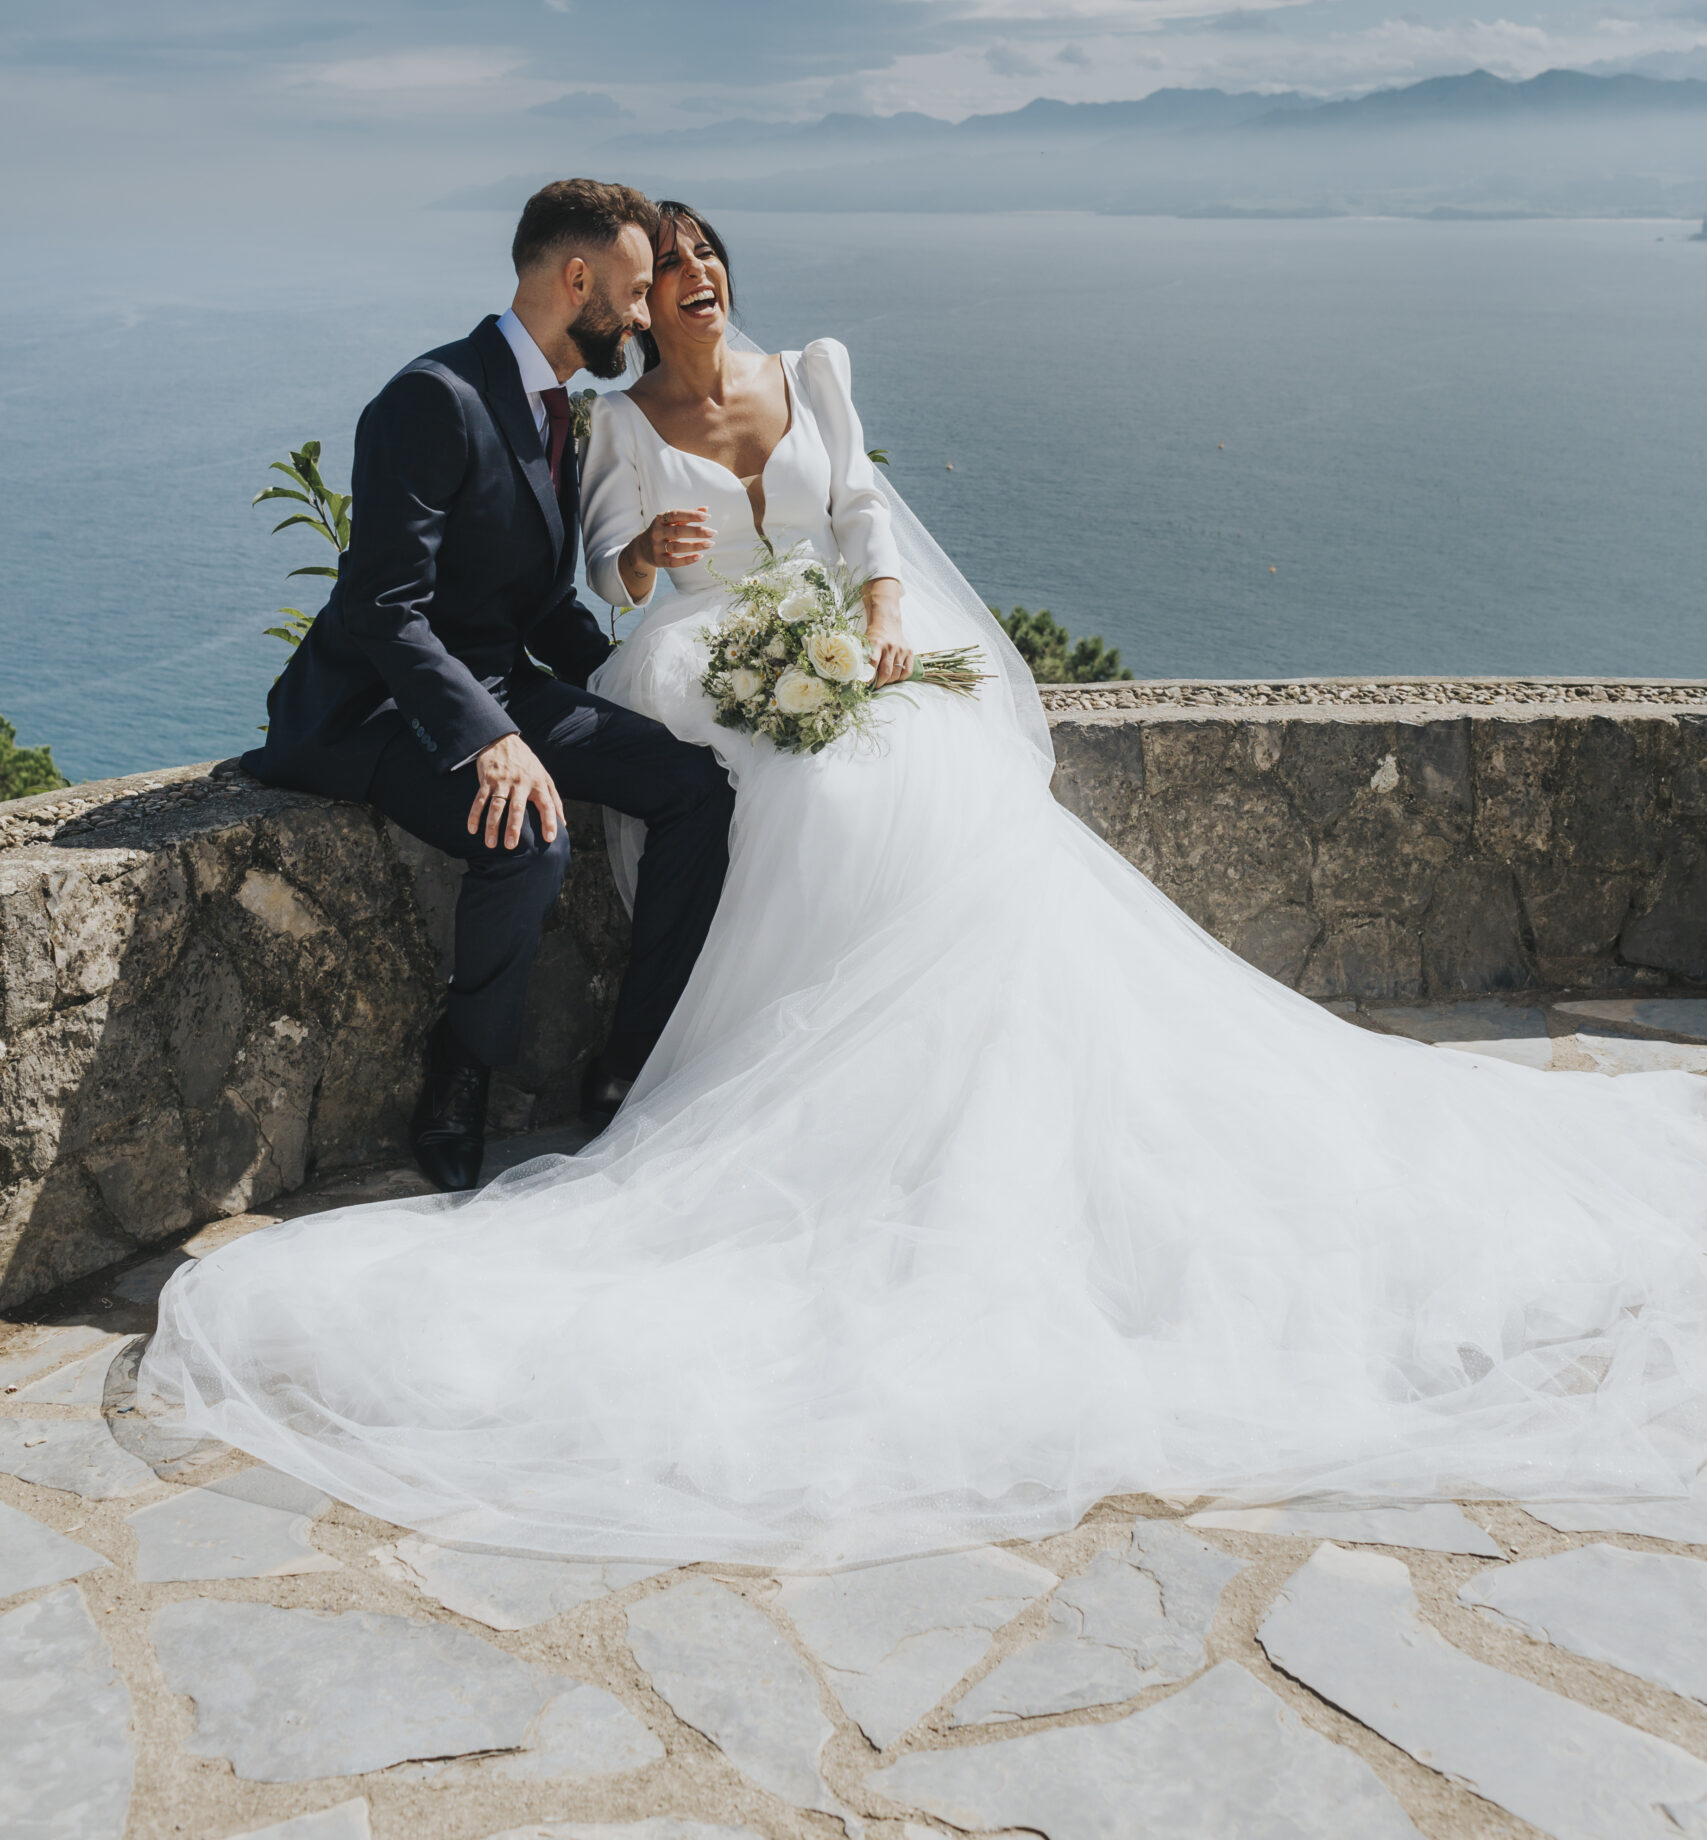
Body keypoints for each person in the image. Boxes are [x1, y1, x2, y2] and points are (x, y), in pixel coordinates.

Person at [151, 205, 1707, 1567]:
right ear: (595, 284)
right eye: (651, 272)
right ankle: (615, 1071)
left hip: (824, 645)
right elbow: (567, 576)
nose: (675, 287)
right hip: (658, 669)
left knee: (918, 776)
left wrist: (876, 615)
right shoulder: (562, 415)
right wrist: (633, 586)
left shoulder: (794, 372)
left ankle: (967, 1060)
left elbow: (858, 514)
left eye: (693, 264)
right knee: (750, 794)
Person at [237, 178, 734, 1192]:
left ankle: (629, 1059)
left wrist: (636, 676)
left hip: (504, 687)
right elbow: (385, 607)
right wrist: (487, 737)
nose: (643, 319)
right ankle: (462, 1067)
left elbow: (534, 604)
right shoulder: (435, 397)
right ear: (577, 276)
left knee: (697, 784)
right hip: (377, 709)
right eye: (635, 294)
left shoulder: (556, 408)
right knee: (531, 832)